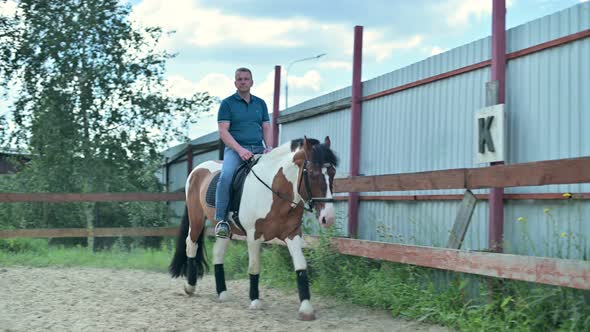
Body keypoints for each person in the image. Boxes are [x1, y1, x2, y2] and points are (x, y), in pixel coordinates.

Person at [214, 67, 272, 238]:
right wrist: (239, 150)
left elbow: (266, 127)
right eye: (239, 79)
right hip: (235, 150)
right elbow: (223, 131)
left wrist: (269, 147)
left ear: (252, 82)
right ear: (235, 83)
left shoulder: (260, 103)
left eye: (246, 79)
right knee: (226, 177)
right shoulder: (227, 104)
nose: (243, 81)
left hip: (259, 149)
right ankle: (222, 220)